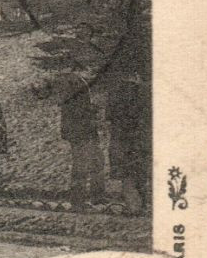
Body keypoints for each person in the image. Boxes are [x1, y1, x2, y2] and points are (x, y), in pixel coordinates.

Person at [105, 74, 149, 214]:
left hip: (121, 139)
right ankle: (142, 206)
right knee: (139, 173)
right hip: (139, 139)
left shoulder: (115, 93)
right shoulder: (144, 93)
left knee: (126, 174)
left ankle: (133, 207)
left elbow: (109, 115)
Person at [60, 76, 106, 206]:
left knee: (96, 163)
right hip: (81, 135)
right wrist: (90, 112)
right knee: (82, 166)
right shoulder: (73, 87)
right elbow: (75, 113)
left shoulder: (77, 85)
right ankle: (79, 199)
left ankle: (95, 197)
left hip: (86, 134)